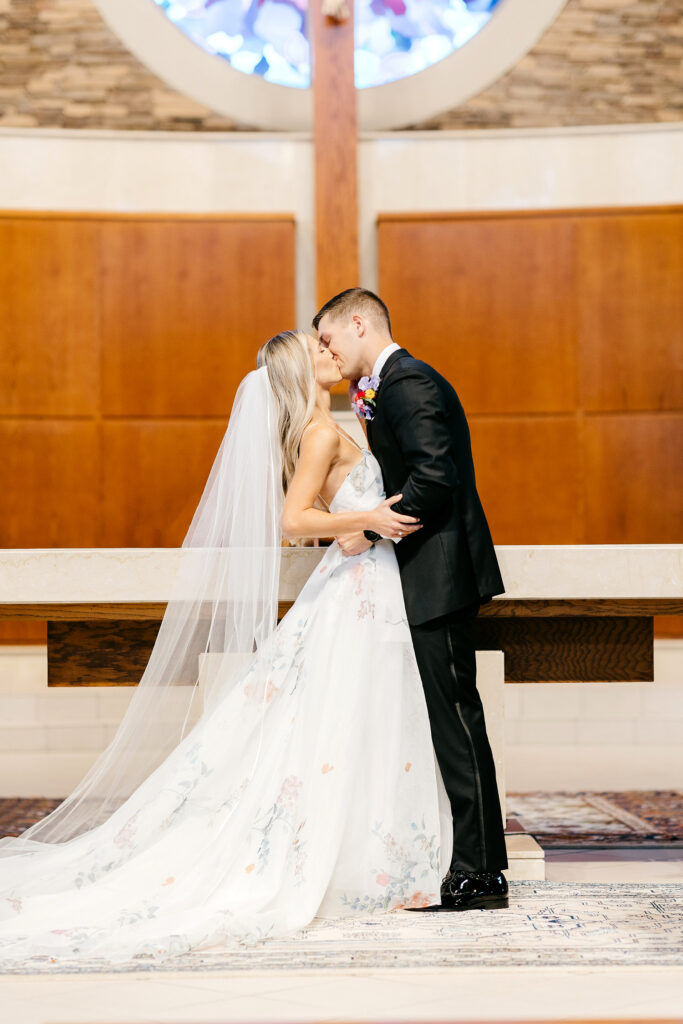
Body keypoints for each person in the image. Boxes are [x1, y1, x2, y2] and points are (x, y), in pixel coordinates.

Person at [0, 330, 458, 967]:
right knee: (351, 718)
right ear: (303, 369)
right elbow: (294, 520)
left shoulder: (335, 422)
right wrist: (366, 521)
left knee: (362, 720)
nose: (329, 350)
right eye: (316, 348)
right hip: (356, 591)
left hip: (367, 584)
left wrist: (361, 526)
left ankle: (376, 854)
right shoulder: (321, 434)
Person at [314, 288, 509, 911]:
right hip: (428, 574)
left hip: (441, 574)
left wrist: (366, 525)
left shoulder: (406, 381)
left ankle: (479, 875)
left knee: (456, 723)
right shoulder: (390, 385)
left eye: (327, 336)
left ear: (358, 322)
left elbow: (434, 476)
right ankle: (477, 868)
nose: (325, 349)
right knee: (454, 722)